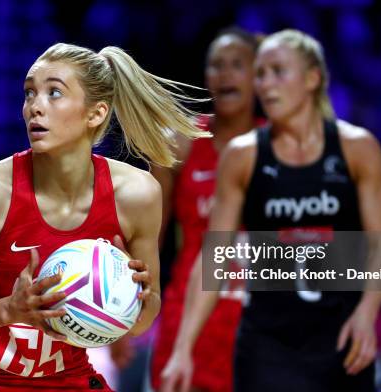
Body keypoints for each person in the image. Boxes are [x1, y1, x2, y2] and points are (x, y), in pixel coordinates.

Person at [0, 42, 209, 391]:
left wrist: (134, 302)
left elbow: (144, 319)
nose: (35, 107)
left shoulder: (137, 194)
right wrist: (9, 309)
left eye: (54, 93)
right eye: (29, 93)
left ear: (96, 114)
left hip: (65, 380)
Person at [161, 29, 381, 392]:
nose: (266, 84)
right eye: (261, 73)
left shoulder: (357, 148)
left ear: (312, 78)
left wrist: (367, 313)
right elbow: (215, 256)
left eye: (278, 71)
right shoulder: (242, 154)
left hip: (343, 339)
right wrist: (183, 347)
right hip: (266, 345)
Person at [149, 27, 262, 392]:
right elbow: (148, 239)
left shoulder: (283, 145)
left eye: (237, 65)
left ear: (259, 75)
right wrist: (126, 320)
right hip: (190, 313)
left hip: (260, 318)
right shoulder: (180, 142)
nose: (225, 74)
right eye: (216, 66)